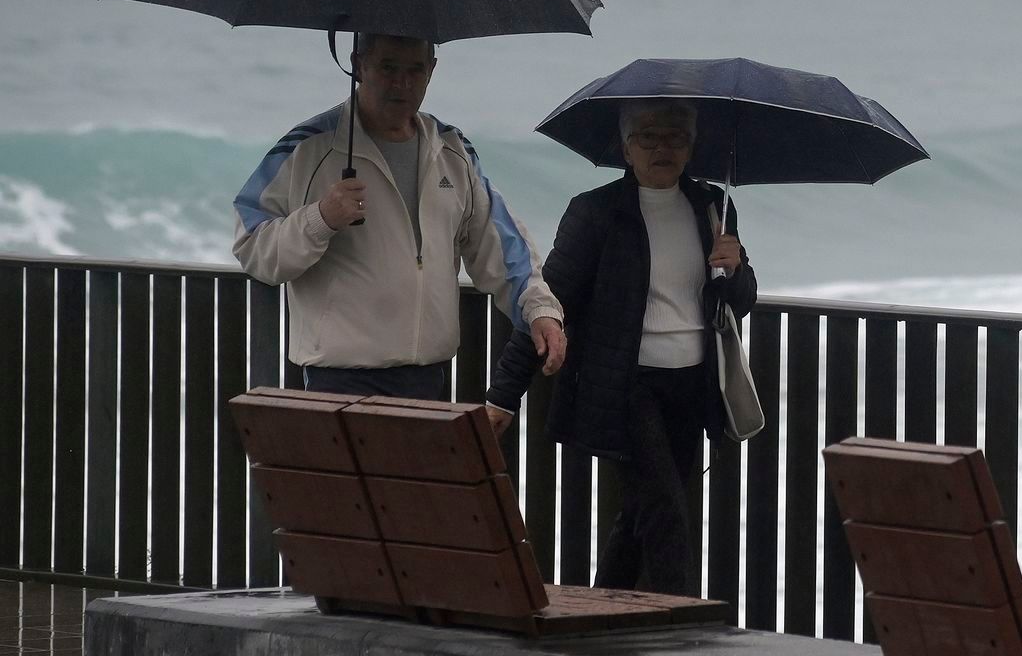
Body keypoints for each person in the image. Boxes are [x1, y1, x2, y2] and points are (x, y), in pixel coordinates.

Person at [485, 100, 756, 596]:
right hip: (627, 387)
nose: (662, 147)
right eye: (648, 137)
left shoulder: (711, 206)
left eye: (676, 137)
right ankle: (683, 632)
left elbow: (740, 302)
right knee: (666, 513)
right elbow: (548, 301)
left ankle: (602, 613)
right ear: (627, 147)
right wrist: (505, 393)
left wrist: (735, 267)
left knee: (640, 516)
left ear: (692, 147)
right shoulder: (597, 211)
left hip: (692, 387)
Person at [232, 33, 568, 399]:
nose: (402, 83)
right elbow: (252, 247)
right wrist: (320, 218)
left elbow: (499, 244)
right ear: (359, 65)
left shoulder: (452, 149)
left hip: (429, 377)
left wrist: (540, 311)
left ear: (432, 71)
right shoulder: (308, 148)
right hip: (339, 379)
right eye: (388, 67)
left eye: (415, 70)